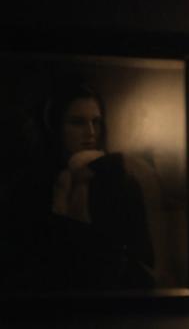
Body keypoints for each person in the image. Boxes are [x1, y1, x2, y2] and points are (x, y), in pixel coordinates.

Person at [6, 77, 155, 291]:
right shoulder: (32, 184)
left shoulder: (120, 181)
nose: (91, 133)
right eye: (77, 123)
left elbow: (142, 261)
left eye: (96, 122)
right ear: (55, 127)